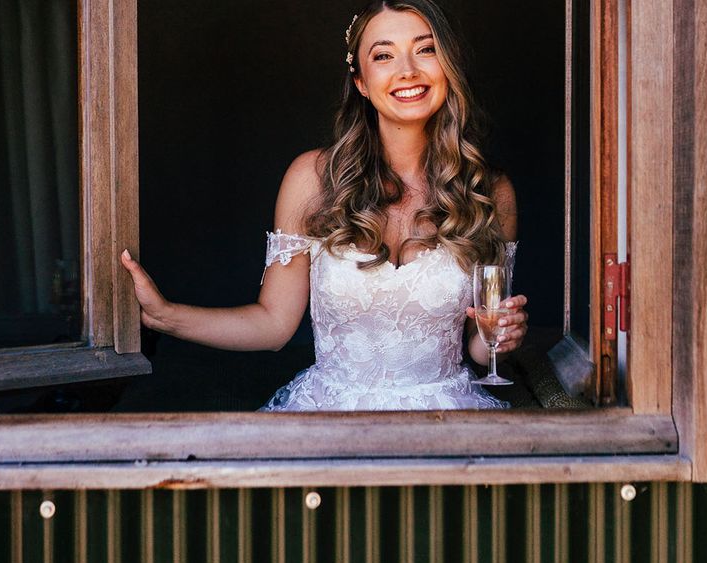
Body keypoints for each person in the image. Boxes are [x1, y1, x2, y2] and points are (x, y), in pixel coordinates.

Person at [121, 0, 528, 411]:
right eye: (383, 55)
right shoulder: (311, 180)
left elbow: (482, 347)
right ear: (362, 82)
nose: (408, 70)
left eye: (425, 49)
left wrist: (503, 335)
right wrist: (165, 316)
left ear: (448, 66)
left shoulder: (489, 191)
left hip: (449, 413)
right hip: (328, 413)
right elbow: (273, 324)